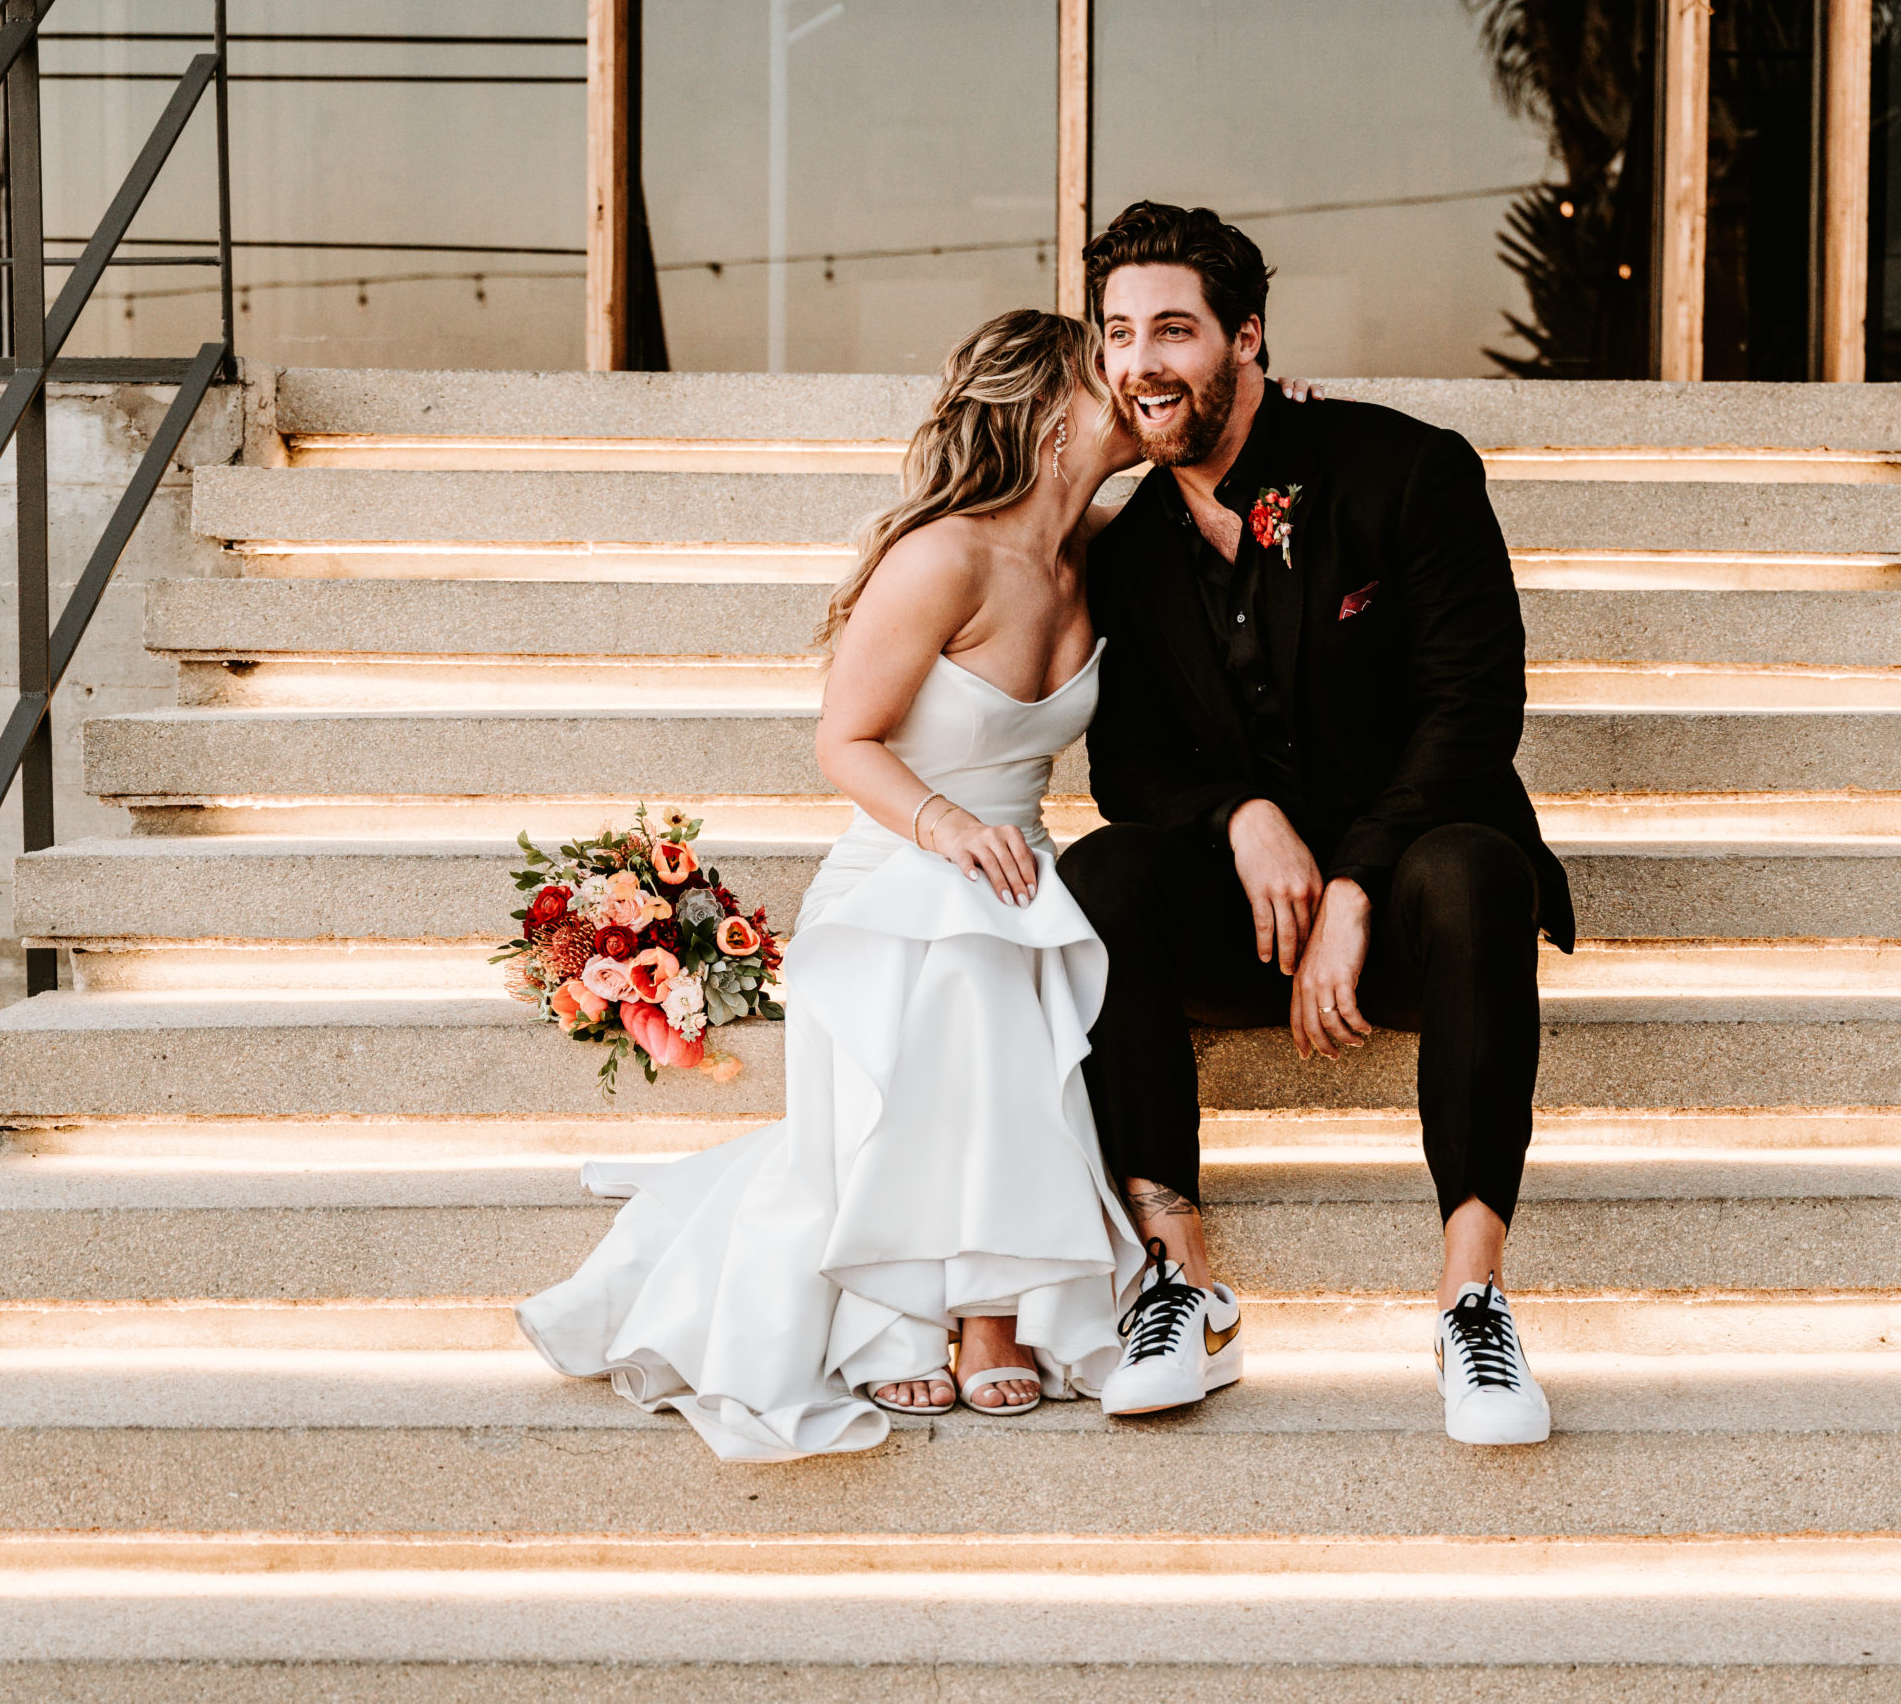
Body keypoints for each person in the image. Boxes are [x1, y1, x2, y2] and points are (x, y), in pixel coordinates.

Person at [518, 310, 1152, 1460]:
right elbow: (845, 740)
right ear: (1055, 416)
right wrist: (947, 825)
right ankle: (922, 1309)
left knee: (999, 952)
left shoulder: (1101, 549)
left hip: (1016, 867)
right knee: (969, 968)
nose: (1137, 389)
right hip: (903, 864)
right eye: (1110, 379)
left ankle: (988, 1310)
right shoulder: (943, 556)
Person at [1062, 202, 1577, 1447]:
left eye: (1173, 329)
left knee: (1473, 871)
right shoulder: (1125, 548)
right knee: (1102, 871)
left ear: (1245, 336)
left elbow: (1473, 712)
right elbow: (1125, 757)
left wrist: (1352, 881)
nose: (1142, 362)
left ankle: (1473, 1303)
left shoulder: (1405, 470)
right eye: (1120, 333)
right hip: (1242, 923)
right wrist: (1239, 817)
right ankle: (1179, 1283)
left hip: (1406, 911)